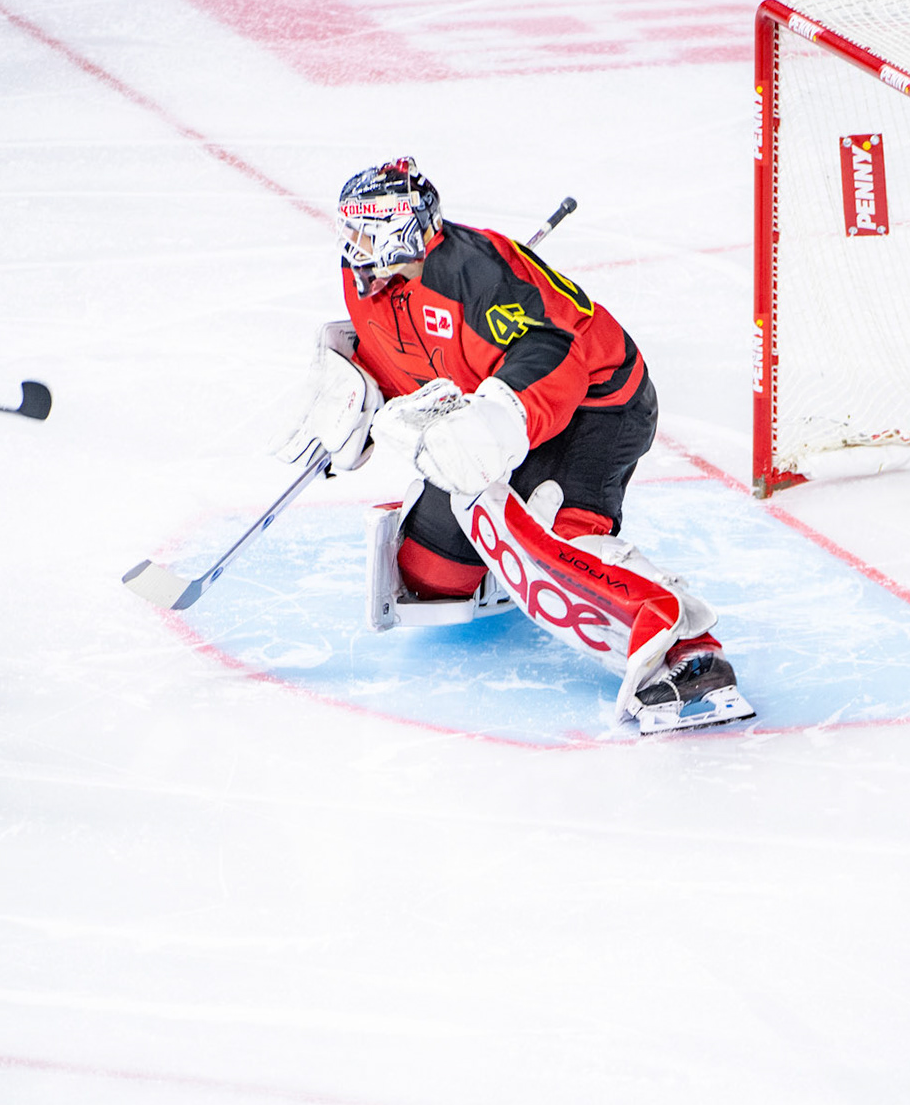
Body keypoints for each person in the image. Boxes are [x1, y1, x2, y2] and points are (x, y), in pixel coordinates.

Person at [276, 157, 752, 733]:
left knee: (559, 538)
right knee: (431, 578)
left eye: (364, 232)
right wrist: (357, 384)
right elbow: (409, 351)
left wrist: (496, 421)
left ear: (403, 231)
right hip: (498, 411)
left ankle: (688, 650)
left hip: (597, 407)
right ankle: (517, 542)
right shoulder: (368, 284)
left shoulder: (476, 276)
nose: (351, 247)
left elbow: (553, 351)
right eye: (346, 231)